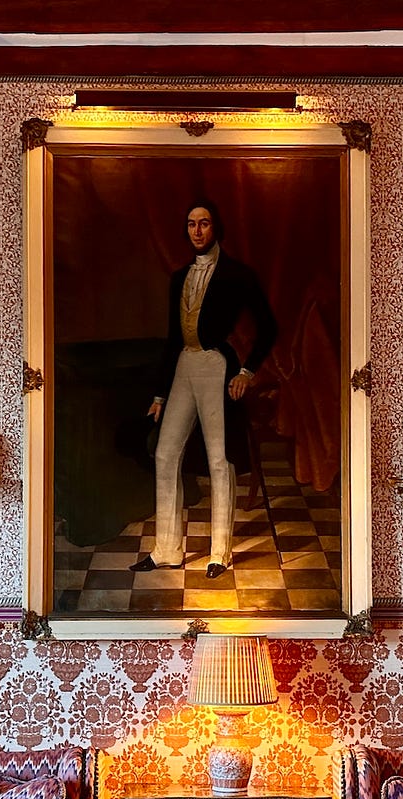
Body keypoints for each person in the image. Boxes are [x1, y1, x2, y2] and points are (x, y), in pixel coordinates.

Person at [130, 201, 277, 579]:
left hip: (216, 364)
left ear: (216, 228)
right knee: (165, 454)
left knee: (218, 459)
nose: (197, 231)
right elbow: (171, 338)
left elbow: (268, 327)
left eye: (204, 223)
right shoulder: (179, 277)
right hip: (184, 363)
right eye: (191, 224)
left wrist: (246, 371)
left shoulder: (237, 274)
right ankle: (167, 550)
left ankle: (219, 553)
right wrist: (159, 396)